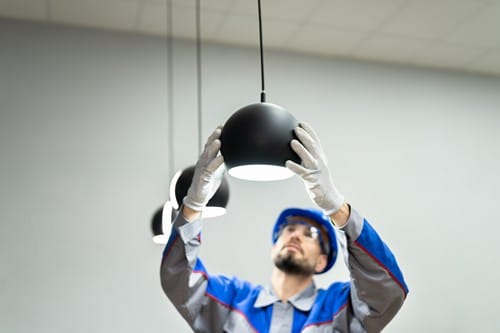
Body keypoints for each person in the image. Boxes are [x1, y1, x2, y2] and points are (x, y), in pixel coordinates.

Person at [160, 122, 408, 332]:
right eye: (289, 229)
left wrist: (337, 207)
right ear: (274, 246)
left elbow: (385, 293)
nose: (295, 235)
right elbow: (179, 278)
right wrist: (193, 205)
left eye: (309, 233)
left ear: (322, 261)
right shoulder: (232, 300)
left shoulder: (338, 308)